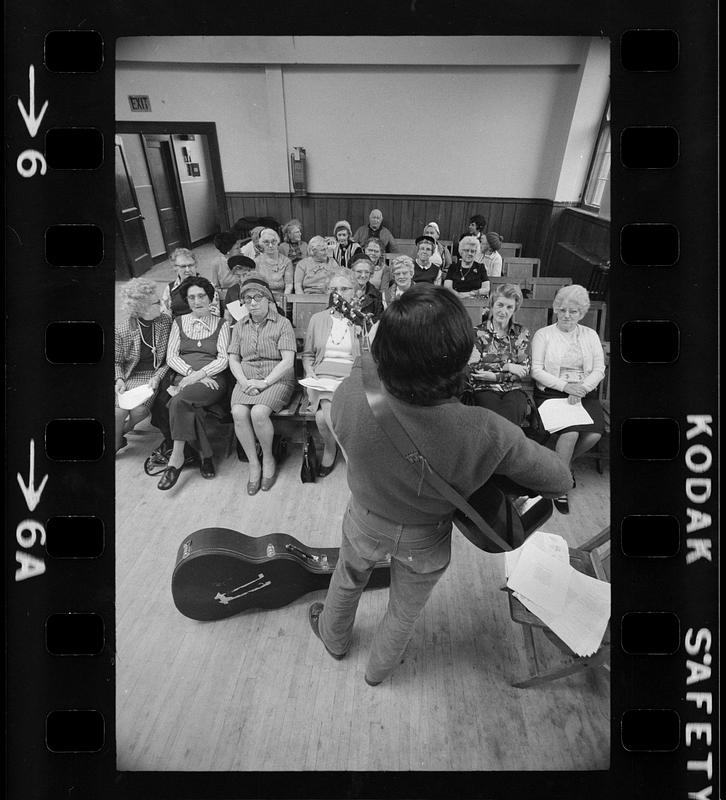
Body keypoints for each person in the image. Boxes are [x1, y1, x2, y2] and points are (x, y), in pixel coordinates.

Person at [308, 284, 572, 685]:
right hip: (424, 537)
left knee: (347, 577)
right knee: (403, 610)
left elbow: (366, 385)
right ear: (460, 360)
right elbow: (559, 479)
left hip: (365, 516)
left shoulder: (349, 393)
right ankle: (377, 673)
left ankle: (333, 638)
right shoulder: (485, 430)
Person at [531, 284, 606, 514]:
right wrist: (566, 387)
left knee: (593, 434)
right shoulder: (543, 334)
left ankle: (560, 465)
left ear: (582, 313)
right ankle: (560, 485)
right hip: (552, 392)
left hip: (583, 392)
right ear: (555, 308)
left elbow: (599, 369)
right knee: (571, 432)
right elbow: (536, 370)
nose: (566, 315)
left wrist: (581, 388)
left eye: (573, 311)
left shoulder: (590, 335)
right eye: (562, 309)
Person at [150, 276, 231, 490]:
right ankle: (206, 457)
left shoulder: (222, 324)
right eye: (191, 297)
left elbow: (223, 359)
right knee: (187, 406)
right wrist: (190, 373)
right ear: (186, 300)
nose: (197, 301)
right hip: (183, 376)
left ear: (211, 298)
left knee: (178, 402)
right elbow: (172, 356)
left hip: (212, 380)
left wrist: (199, 375)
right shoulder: (179, 322)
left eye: (201, 296)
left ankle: (175, 460)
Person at [229, 277, 297, 495]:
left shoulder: (282, 323)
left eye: (258, 297)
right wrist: (243, 381)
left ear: (268, 300)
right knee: (238, 412)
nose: (253, 302)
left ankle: (268, 458)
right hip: (246, 379)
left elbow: (287, 361)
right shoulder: (239, 326)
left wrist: (264, 382)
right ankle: (253, 463)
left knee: (258, 412)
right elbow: (233, 359)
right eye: (247, 299)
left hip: (276, 378)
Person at [302, 272, 365, 477]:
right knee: (327, 401)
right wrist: (310, 372)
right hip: (321, 376)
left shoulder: (360, 320)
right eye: (333, 289)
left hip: (351, 375)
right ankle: (351, 459)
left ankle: (331, 449)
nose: (338, 294)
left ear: (355, 292)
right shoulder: (318, 319)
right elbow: (308, 354)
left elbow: (367, 356)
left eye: (344, 289)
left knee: (322, 416)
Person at [114, 278, 172, 453]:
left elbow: (169, 358)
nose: (162, 304)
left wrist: (157, 376)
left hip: (155, 374)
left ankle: (122, 433)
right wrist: (119, 379)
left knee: (140, 410)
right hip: (132, 375)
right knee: (118, 412)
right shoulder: (122, 329)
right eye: (157, 302)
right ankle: (116, 444)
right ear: (141, 308)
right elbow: (116, 361)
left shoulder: (165, 322)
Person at [467, 283, 531, 426]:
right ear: (492, 305)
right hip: (484, 388)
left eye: (509, 307)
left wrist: (495, 375)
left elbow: (524, 369)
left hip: (513, 389)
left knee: (512, 411)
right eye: (500, 305)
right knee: (495, 417)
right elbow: (475, 368)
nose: (503, 311)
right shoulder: (477, 332)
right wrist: (507, 366)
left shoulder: (521, 333)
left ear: (515, 309)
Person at [254, 228, 294, 306]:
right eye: (266, 242)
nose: (270, 245)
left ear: (278, 242)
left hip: (281, 300)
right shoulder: (256, 262)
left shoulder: (286, 262)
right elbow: (255, 285)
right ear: (261, 244)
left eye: (273, 241)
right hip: (261, 299)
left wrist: (283, 301)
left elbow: (289, 285)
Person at [350, 254, 384, 326]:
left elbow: (378, 319)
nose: (363, 275)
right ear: (352, 272)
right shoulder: (342, 290)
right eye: (359, 272)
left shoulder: (377, 294)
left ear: (371, 274)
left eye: (367, 272)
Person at [222, 255, 257, 325]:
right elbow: (227, 317)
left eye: (245, 275)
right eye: (238, 276)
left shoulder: (261, 288)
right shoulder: (232, 291)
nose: (241, 279)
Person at [209, 232, 243, 296]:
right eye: (237, 248)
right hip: (226, 297)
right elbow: (215, 287)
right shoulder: (216, 263)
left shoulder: (243, 259)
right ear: (228, 251)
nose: (240, 250)